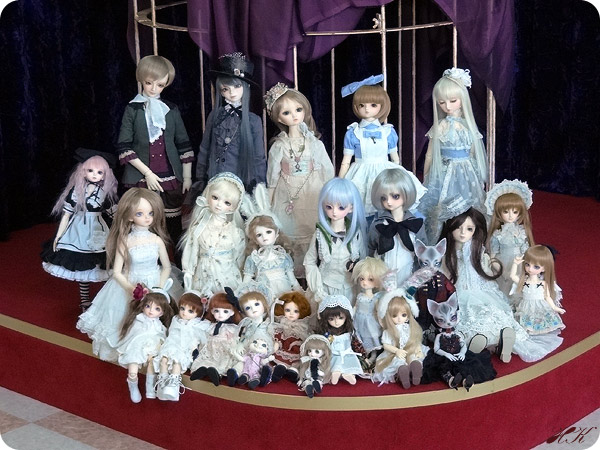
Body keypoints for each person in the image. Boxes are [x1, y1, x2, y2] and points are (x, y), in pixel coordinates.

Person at [77, 188, 172, 362]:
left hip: (155, 281)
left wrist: (159, 288)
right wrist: (130, 288)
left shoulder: (156, 240)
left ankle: (150, 348)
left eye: (151, 213)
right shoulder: (125, 241)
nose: (147, 218)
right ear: (129, 216)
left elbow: (166, 267)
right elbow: (116, 272)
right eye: (140, 213)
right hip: (130, 283)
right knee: (128, 320)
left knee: (154, 317)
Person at [117, 55, 194, 245]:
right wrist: (148, 173)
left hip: (170, 175)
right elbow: (124, 144)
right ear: (141, 79)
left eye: (160, 85)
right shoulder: (132, 109)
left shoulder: (171, 109)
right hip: (141, 176)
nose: (153, 89)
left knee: (173, 225)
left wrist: (187, 176)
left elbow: (183, 143)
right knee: (143, 222)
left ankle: (177, 259)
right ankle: (147, 258)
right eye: (149, 83)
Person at [264, 83, 334, 275]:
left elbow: (327, 171)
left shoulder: (314, 143)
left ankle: (313, 272)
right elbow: (272, 178)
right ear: (279, 118)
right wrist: (266, 207)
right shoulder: (279, 146)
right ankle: (292, 274)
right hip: (287, 193)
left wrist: (331, 195)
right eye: (287, 113)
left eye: (298, 109)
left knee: (312, 227)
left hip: (312, 190)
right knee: (289, 229)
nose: (294, 115)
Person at [41, 149, 118, 310]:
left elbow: (115, 215)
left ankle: (105, 299)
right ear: (83, 171)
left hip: (98, 230)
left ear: (105, 175)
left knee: (104, 266)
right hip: (77, 232)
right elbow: (66, 215)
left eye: (99, 172)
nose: (95, 175)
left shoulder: (105, 193)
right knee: (81, 267)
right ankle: (85, 300)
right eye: (90, 170)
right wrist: (58, 236)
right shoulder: (76, 191)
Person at [419, 68, 488, 243]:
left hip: (466, 172)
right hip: (444, 171)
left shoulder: (468, 126)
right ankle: (442, 241)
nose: (447, 107)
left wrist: (477, 174)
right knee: (440, 206)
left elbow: (473, 153)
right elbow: (429, 155)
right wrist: (426, 177)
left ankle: (470, 239)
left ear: (462, 100)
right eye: (442, 102)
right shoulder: (440, 126)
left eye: (452, 101)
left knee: (468, 204)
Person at [187, 52, 265, 202]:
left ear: (246, 86)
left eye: (237, 86)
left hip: (241, 180)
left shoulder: (253, 121)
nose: (232, 93)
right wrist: (200, 179)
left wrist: (260, 187)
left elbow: (258, 158)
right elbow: (204, 149)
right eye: (225, 89)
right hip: (215, 178)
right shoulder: (215, 116)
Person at [338, 74, 400, 216]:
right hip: (360, 175)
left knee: (386, 207)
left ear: (382, 105)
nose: (367, 109)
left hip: (384, 173)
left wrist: (398, 177)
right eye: (362, 105)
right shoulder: (353, 133)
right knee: (359, 210)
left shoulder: (388, 132)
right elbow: (345, 162)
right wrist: (340, 182)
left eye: (373, 105)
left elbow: (395, 159)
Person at [180, 172, 246, 296]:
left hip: (228, 275)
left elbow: (240, 257)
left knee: (226, 302)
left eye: (227, 203)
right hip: (202, 276)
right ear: (207, 194)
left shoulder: (236, 232)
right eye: (215, 198)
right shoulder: (198, 228)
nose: (219, 204)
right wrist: (188, 274)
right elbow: (191, 252)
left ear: (234, 207)